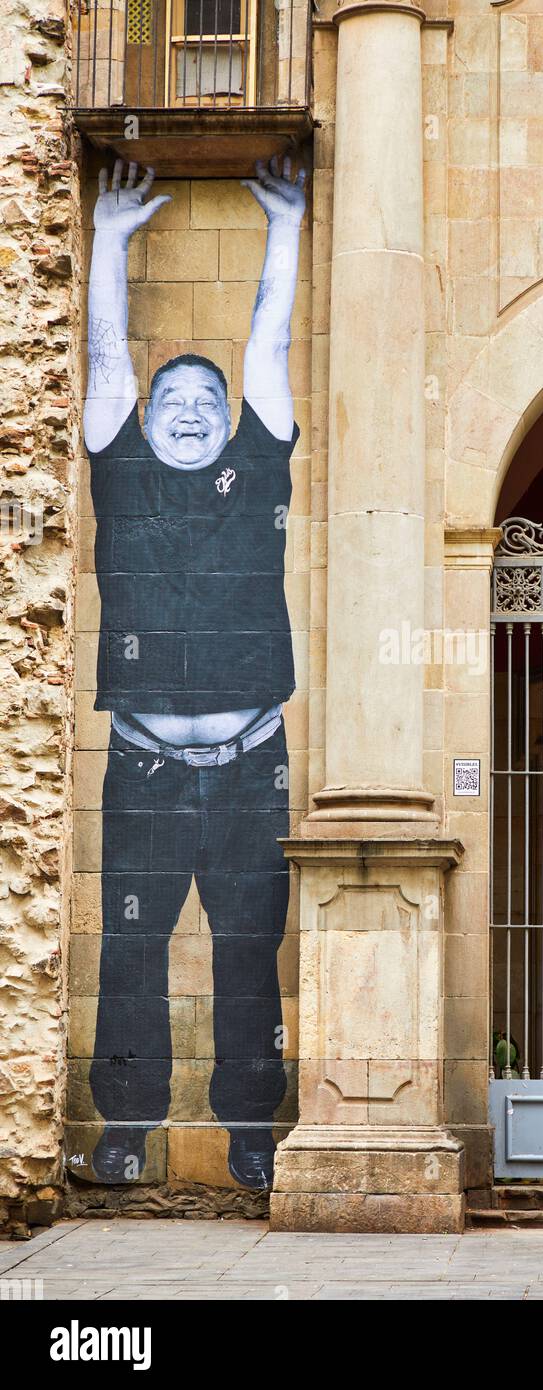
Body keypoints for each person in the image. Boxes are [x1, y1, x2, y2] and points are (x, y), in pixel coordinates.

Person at [83, 157, 305, 1189]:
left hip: (254, 764)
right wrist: (111, 238)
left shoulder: (255, 464)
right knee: (129, 953)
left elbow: (266, 347)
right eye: (167, 395)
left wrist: (286, 226)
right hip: (146, 772)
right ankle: (123, 1123)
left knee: (245, 954)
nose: (181, 407)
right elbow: (105, 370)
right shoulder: (120, 472)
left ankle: (252, 1131)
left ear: (227, 421)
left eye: (201, 398)